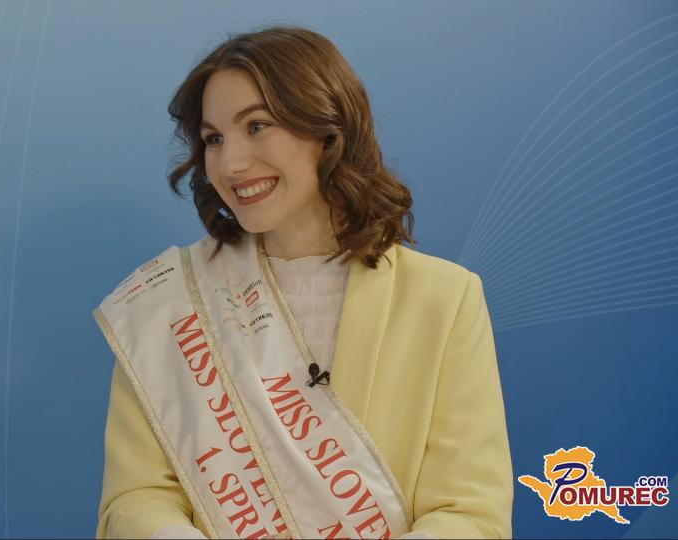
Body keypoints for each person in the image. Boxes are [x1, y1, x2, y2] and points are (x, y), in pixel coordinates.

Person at [93, 26, 512, 539]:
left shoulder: (443, 299)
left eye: (257, 126)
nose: (231, 163)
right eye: (213, 139)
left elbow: (470, 513)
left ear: (328, 128)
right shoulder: (171, 302)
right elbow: (136, 499)